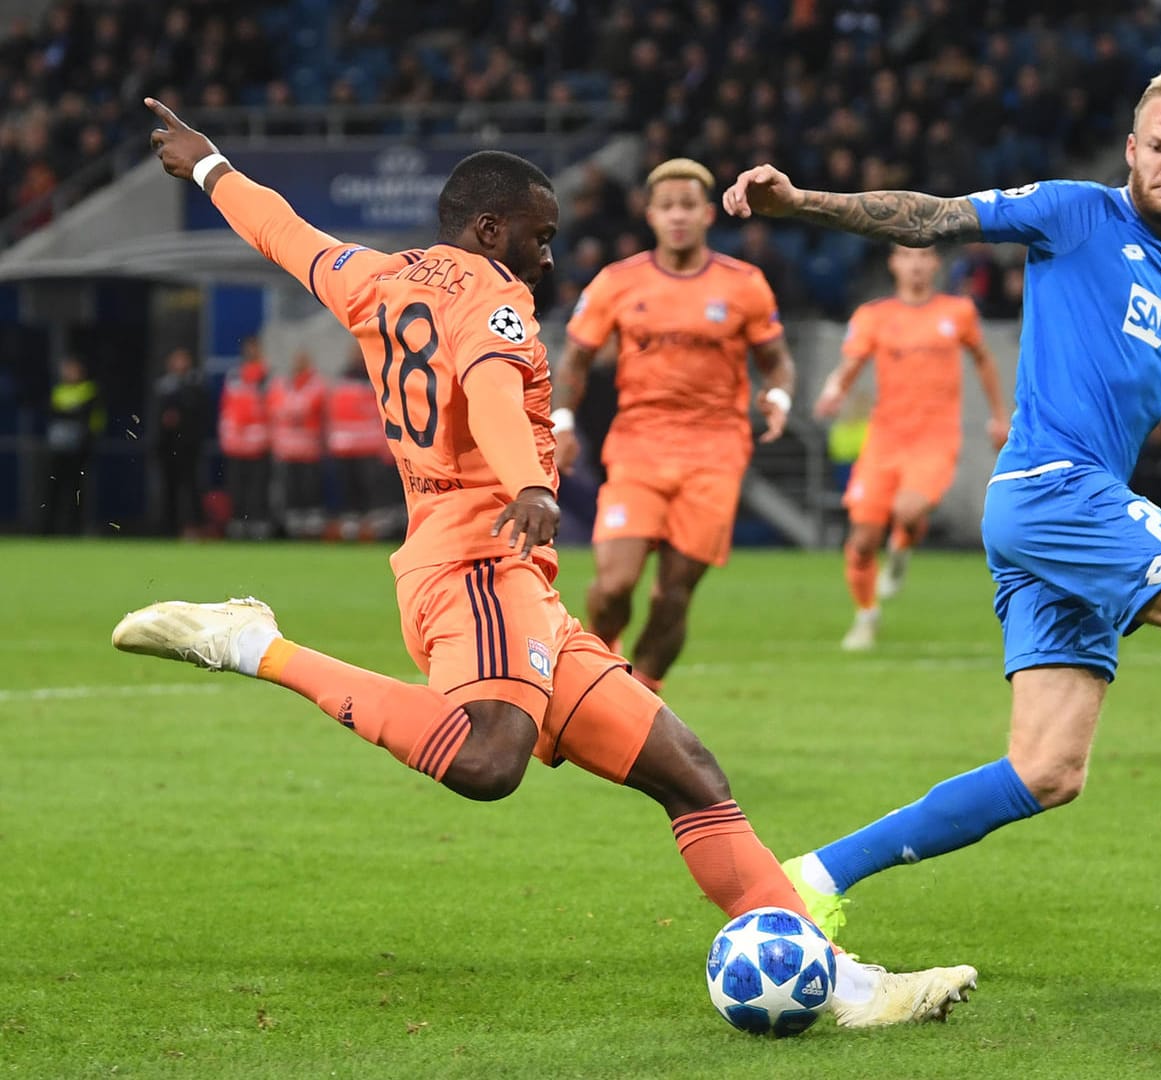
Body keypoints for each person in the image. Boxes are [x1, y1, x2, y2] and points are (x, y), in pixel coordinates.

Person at [114, 100, 973, 1027]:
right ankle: (256, 646)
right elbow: (488, 387)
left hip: (509, 578)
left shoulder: (371, 277)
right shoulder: (495, 295)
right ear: (491, 231)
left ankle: (844, 988)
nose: (549, 258)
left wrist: (209, 169)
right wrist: (529, 483)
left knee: (690, 772)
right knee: (488, 761)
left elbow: (283, 231)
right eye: (541, 237)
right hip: (480, 562)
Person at [723, 69, 1161, 929]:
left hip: (1063, 510)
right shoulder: (1072, 213)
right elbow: (936, 215)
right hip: (1050, 487)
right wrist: (801, 202)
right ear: (1133, 151)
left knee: (1046, 771)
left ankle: (812, 876)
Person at [552, 159, 796, 692]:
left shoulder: (744, 284)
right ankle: (602, 656)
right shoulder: (618, 282)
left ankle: (639, 698)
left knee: (672, 594)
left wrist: (777, 394)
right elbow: (572, 360)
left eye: (688, 206)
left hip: (716, 451)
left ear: (708, 214)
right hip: (638, 445)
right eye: (667, 207)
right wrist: (563, 421)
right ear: (651, 215)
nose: (678, 216)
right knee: (614, 584)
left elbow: (776, 358)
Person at [813, 244, 1010, 650]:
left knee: (908, 509)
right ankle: (866, 615)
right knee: (863, 540)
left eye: (924, 257)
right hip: (884, 438)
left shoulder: (958, 313)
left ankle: (902, 547)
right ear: (894, 263)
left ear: (936, 263)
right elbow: (850, 364)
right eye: (908, 257)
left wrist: (999, 415)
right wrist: (834, 391)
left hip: (935, 437)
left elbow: (984, 360)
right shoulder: (874, 316)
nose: (917, 265)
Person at [325, 346, 391, 541]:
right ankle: (353, 529)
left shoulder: (376, 378)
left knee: (370, 492)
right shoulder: (343, 379)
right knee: (350, 491)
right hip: (345, 446)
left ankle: (372, 529)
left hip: (369, 446)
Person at [267, 348, 327, 538]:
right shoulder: (282, 384)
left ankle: (311, 529)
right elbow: (274, 410)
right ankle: (292, 528)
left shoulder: (316, 385)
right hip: (286, 449)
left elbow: (305, 408)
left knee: (309, 490)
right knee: (290, 491)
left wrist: (290, 410)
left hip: (308, 449)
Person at [152, 347, 209, 538]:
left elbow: (199, 410)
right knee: (168, 487)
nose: (180, 364)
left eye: (183, 360)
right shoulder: (163, 385)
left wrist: (180, 415)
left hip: (188, 445)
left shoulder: (195, 383)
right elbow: (156, 416)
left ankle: (194, 526)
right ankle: (168, 527)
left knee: (191, 486)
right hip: (167, 446)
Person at [219, 337, 272, 538]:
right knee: (237, 487)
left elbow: (274, 408)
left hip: (259, 443)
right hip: (236, 444)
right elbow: (226, 408)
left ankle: (257, 525)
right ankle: (238, 523)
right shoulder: (234, 376)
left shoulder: (266, 375)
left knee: (257, 488)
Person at [45, 356, 103, 535]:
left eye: (73, 370)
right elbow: (53, 414)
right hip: (59, 447)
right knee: (55, 486)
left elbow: (90, 417)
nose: (69, 374)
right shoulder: (58, 390)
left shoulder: (89, 390)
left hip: (81, 447)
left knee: (77, 487)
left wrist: (70, 415)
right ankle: (50, 528)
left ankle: (75, 527)